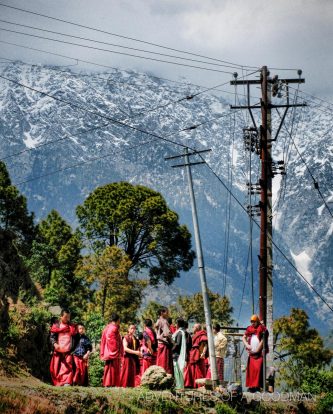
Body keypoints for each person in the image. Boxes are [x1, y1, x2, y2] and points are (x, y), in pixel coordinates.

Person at [49, 309, 77, 386]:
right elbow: (52, 337)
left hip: (68, 351)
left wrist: (73, 349)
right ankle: (58, 383)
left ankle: (66, 382)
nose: (67, 319)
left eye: (69, 317)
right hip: (58, 350)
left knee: (67, 367)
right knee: (55, 368)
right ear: (61, 317)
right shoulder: (56, 326)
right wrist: (55, 344)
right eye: (65, 317)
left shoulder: (72, 327)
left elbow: (76, 338)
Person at [242, 314, 269, 392]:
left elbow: (262, 340)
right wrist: (247, 345)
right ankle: (251, 387)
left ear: (257, 321)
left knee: (258, 370)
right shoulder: (250, 329)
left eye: (254, 322)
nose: (252, 323)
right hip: (251, 353)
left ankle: (257, 386)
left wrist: (257, 350)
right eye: (251, 322)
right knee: (251, 371)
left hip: (259, 354)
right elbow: (244, 337)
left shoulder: (261, 328)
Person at [100, 313, 123, 387]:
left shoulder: (108, 327)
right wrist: (116, 351)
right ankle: (111, 383)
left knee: (109, 367)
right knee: (113, 368)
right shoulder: (113, 328)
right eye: (119, 320)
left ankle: (108, 383)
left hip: (108, 351)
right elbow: (112, 340)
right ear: (117, 320)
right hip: (112, 351)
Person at [184, 323, 208, 388]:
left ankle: (199, 385)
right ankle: (192, 384)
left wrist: (203, 353)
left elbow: (205, 344)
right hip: (193, 354)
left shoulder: (201, 334)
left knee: (198, 369)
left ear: (197, 328)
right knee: (192, 368)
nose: (193, 329)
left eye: (193, 327)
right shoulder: (195, 335)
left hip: (198, 354)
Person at [155, 307, 173, 374]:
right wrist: (173, 342)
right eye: (166, 312)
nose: (168, 313)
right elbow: (167, 333)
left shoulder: (158, 321)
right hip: (165, 344)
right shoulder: (164, 321)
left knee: (160, 362)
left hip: (159, 344)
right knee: (166, 364)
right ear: (162, 313)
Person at [172, 318, 187, 390]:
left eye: (176, 323)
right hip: (178, 354)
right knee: (179, 371)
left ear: (178, 324)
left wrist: (171, 350)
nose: (175, 325)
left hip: (177, 355)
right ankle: (180, 386)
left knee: (177, 371)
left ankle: (179, 386)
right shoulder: (182, 332)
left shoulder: (180, 333)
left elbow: (177, 344)